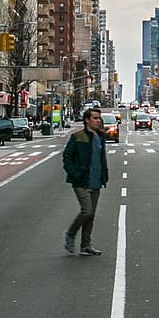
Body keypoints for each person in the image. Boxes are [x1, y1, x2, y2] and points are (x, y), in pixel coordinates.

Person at [61, 107, 108, 256]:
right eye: (95, 118)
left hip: (96, 181)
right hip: (81, 181)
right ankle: (70, 234)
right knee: (86, 211)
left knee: (91, 215)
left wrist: (104, 175)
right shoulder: (78, 137)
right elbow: (67, 157)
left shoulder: (100, 137)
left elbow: (101, 159)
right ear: (87, 120)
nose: (98, 120)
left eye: (99, 118)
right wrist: (74, 173)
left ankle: (85, 245)